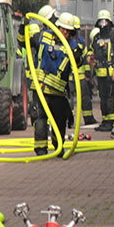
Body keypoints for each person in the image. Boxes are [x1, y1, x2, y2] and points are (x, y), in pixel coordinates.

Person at [33, 12, 81, 155]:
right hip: (41, 88)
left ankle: (58, 146)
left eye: (68, 30)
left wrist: (79, 56)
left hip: (58, 92)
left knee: (60, 120)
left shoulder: (73, 46)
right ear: (57, 26)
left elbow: (78, 62)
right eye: (62, 28)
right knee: (40, 119)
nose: (64, 32)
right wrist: (23, 27)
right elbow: (24, 42)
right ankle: (41, 149)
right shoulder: (43, 36)